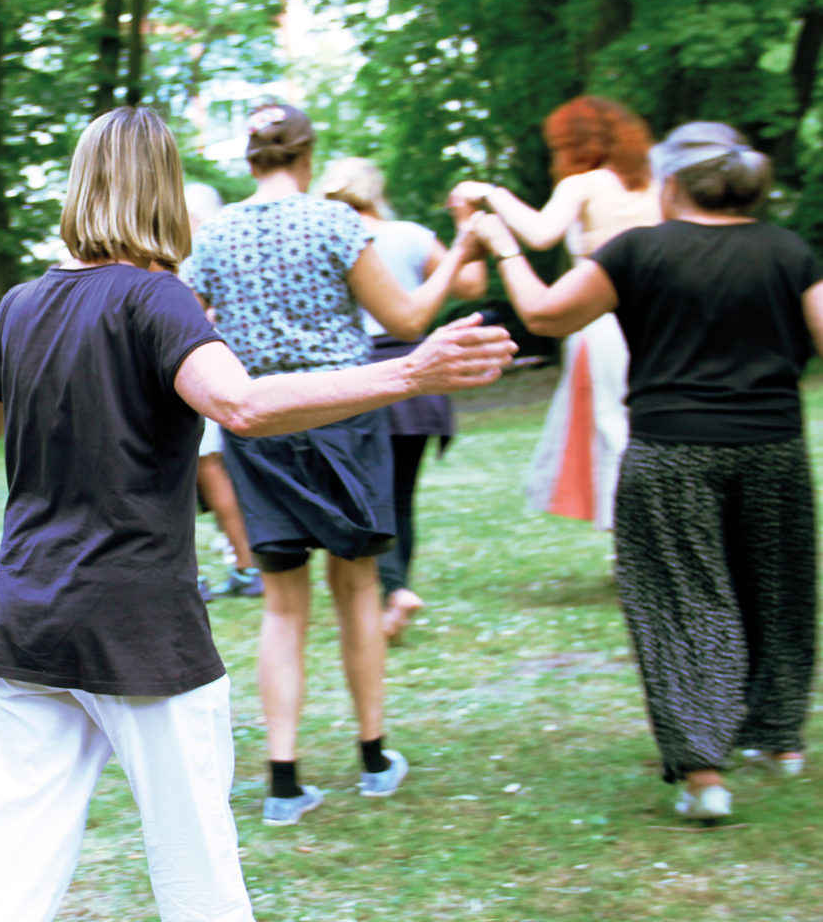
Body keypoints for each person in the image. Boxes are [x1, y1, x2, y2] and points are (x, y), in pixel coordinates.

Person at [0, 107, 513, 922]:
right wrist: (410, 370)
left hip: (32, 616)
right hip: (136, 627)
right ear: (163, 191)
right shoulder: (153, 297)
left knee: (8, 857)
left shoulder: (20, 306)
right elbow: (243, 406)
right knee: (198, 870)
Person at [472, 122, 822, 819]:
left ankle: (704, 776)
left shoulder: (637, 251)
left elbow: (543, 316)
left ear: (669, 184)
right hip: (773, 444)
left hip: (671, 448)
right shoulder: (789, 250)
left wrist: (504, 246)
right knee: (779, 591)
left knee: (684, 600)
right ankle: (779, 741)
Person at [181, 104, 483, 822]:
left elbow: (190, 329)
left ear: (248, 158)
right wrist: (464, 247)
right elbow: (408, 321)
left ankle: (283, 779)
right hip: (346, 418)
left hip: (261, 421)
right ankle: (374, 756)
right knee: (357, 589)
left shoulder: (214, 235)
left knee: (283, 608)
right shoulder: (337, 223)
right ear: (307, 153)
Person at [451, 96, 661, 531]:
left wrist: (488, 193)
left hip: (608, 316)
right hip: (668, 311)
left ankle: (636, 536)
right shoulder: (658, 181)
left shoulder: (583, 184)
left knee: (614, 424)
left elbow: (542, 234)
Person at [318, 157, 488, 638]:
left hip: (359, 376)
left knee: (362, 495)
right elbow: (472, 284)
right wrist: (463, 228)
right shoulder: (410, 234)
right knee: (400, 496)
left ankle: (391, 593)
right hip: (419, 378)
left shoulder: (322, 235)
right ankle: (397, 591)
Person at [184, 181, 261, 600]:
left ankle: (230, 569)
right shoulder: (222, 256)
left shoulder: (193, 259)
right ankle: (245, 566)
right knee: (210, 471)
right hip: (216, 373)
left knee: (201, 471)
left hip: (196, 378)